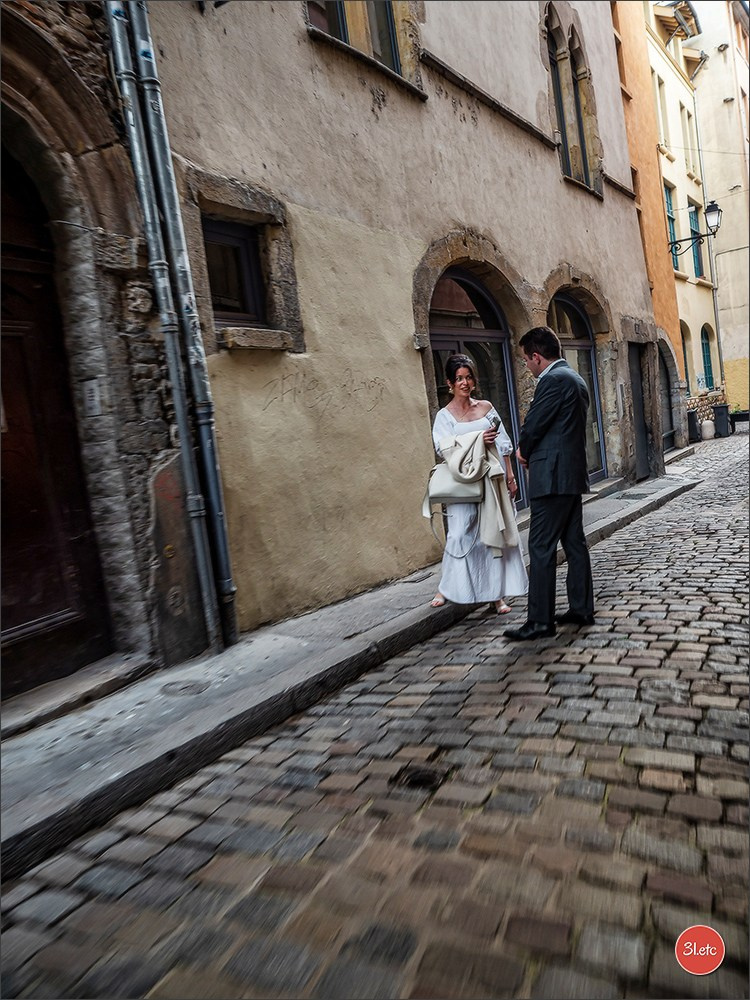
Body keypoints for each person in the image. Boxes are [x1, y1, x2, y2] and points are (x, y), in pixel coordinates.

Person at [504, 326, 594, 641]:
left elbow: (533, 425)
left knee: (540, 547)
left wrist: (522, 452)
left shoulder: (552, 381)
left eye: (527, 361)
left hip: (552, 477)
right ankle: (581, 609)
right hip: (570, 475)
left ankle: (540, 622)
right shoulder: (576, 378)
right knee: (574, 544)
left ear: (537, 357)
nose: (527, 367)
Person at [430, 354, 528, 614]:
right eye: (459, 378)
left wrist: (510, 474)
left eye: (469, 377)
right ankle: (446, 587)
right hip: (462, 481)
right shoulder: (444, 416)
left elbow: (503, 442)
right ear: (450, 383)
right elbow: (444, 448)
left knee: (491, 534)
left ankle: (496, 596)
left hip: (491, 480)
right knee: (460, 534)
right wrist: (476, 439)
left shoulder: (486, 407)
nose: (465, 383)